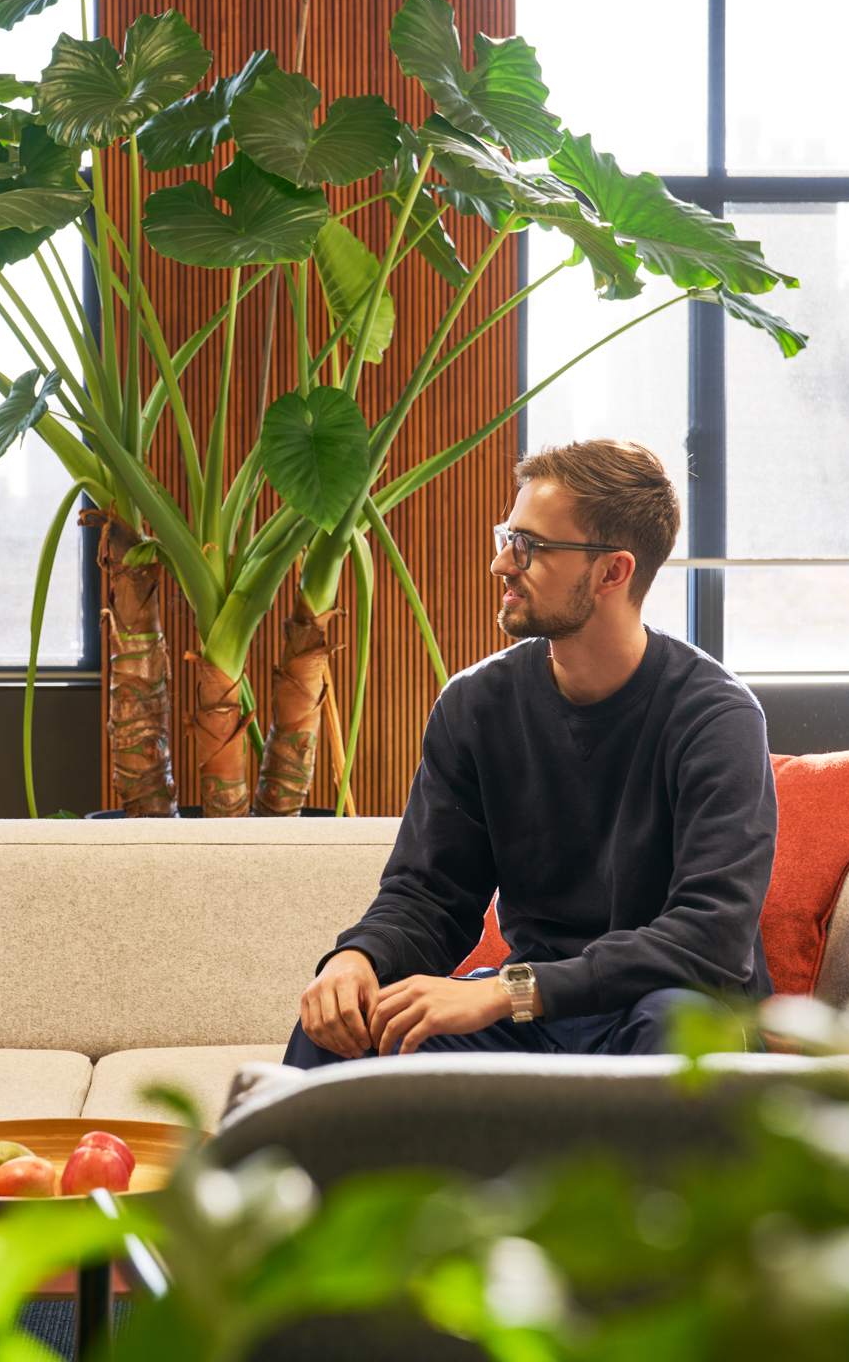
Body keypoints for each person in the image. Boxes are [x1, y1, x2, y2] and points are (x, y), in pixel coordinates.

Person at [286, 441, 776, 1068]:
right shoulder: (475, 705)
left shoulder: (716, 717)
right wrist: (360, 958)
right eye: (507, 536)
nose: (499, 563)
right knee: (351, 1029)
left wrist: (508, 992)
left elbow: (710, 939)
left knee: (678, 1030)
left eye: (530, 546)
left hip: (672, 1009)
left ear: (612, 572)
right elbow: (429, 894)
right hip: (529, 1016)